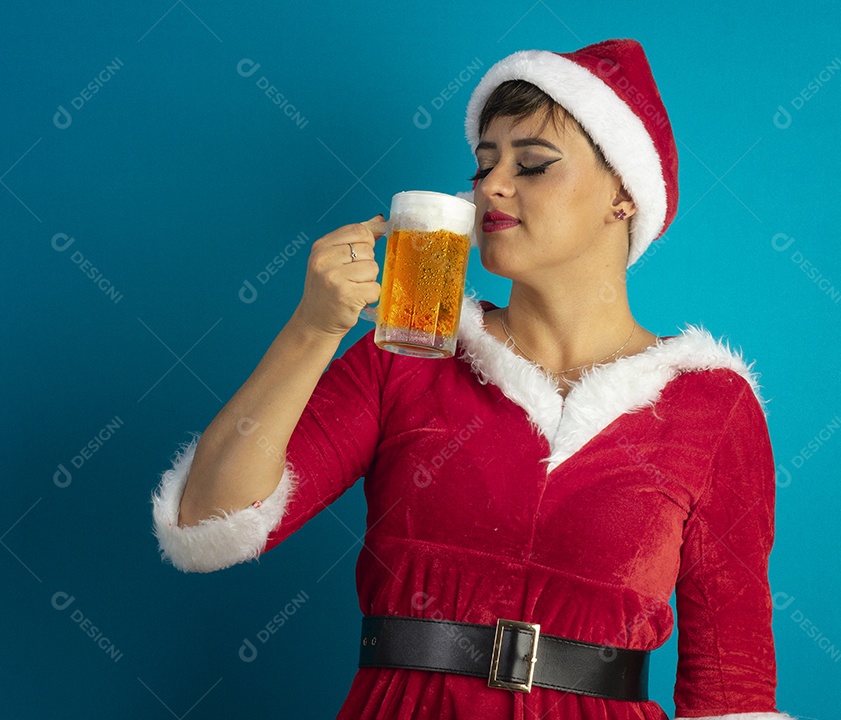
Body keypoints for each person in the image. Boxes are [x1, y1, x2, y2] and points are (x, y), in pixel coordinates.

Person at [150, 38, 797, 720]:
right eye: (483, 163)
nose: (489, 184)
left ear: (622, 197)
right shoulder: (407, 354)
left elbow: (733, 690)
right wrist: (313, 329)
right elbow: (207, 520)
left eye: (534, 163)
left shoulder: (711, 405)